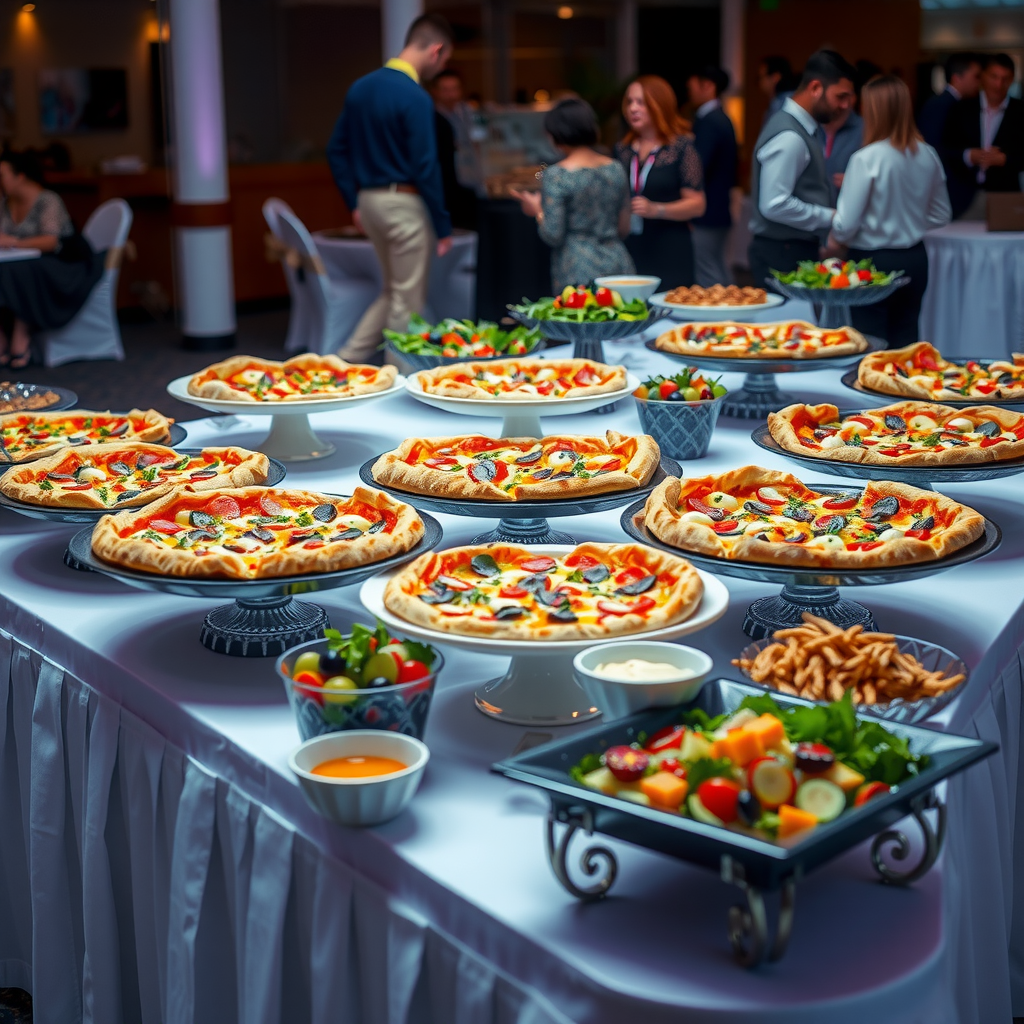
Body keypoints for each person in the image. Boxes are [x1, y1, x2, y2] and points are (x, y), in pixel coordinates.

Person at [326, 14, 453, 362]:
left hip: (369, 202)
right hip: (403, 205)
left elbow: (336, 150)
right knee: (407, 302)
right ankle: (398, 379)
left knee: (393, 293)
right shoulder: (415, 96)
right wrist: (442, 224)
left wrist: (354, 201)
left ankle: (343, 362)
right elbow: (426, 166)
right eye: (445, 60)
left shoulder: (361, 87)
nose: (442, 68)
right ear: (436, 50)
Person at [826, 76, 951, 347]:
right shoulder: (928, 154)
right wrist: (909, 219)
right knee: (906, 342)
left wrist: (834, 240)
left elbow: (846, 225)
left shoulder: (865, 158)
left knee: (868, 344)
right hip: (915, 259)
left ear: (873, 110)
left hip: (871, 262)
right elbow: (942, 214)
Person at [748, 49, 856, 290]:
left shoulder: (799, 127)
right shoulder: (790, 135)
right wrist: (830, 217)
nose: (845, 105)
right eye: (840, 96)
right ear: (815, 88)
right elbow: (774, 204)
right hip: (782, 252)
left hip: (787, 248)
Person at [511, 99, 633, 293]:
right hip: (618, 264)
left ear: (557, 133)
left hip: (577, 269)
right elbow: (624, 227)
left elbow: (553, 235)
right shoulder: (615, 168)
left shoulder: (557, 175)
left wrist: (537, 210)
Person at [0, 150, 103, 368]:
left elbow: (50, 241)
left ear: (20, 176)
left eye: (2, 175)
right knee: (11, 270)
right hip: (25, 265)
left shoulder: (47, 200)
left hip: (61, 267)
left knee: (24, 270)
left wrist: (13, 242)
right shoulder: (6, 203)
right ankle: (2, 335)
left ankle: (21, 333)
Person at [612, 75, 705, 289]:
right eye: (629, 102)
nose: (633, 108)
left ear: (660, 105)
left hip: (671, 247)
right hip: (631, 246)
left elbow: (698, 205)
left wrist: (657, 209)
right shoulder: (622, 150)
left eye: (641, 102)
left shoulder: (681, 148)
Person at [942, 53, 1024, 220]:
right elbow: (945, 149)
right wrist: (968, 155)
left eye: (1005, 79)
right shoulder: (961, 108)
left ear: (1012, 80)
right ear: (983, 76)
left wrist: (1005, 159)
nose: (998, 84)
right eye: (994, 77)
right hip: (964, 197)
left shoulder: (1020, 111)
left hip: (1005, 197)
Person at [687, 65, 737, 287]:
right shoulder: (721, 118)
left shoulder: (710, 121)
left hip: (707, 211)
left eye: (692, 88)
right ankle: (733, 304)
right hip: (718, 208)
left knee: (708, 273)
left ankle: (723, 308)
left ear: (707, 86)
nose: (690, 93)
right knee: (718, 266)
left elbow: (697, 167)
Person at [917, 52, 981, 218]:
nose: (979, 82)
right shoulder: (940, 105)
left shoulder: (958, 103)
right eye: (975, 76)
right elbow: (933, 149)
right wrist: (966, 155)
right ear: (957, 77)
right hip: (947, 189)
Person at [431, 72, 477, 230]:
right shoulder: (431, 116)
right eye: (445, 90)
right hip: (445, 182)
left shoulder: (468, 112)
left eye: (454, 89)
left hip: (470, 179)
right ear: (435, 92)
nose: (451, 95)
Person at [816, 104, 863, 201]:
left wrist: (859, 183)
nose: (845, 104)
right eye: (839, 97)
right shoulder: (807, 126)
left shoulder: (866, 130)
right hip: (812, 206)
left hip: (848, 205)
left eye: (847, 97)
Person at [759, 56, 795, 125]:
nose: (760, 82)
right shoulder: (777, 103)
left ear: (775, 77)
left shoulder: (783, 104)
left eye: (761, 77)